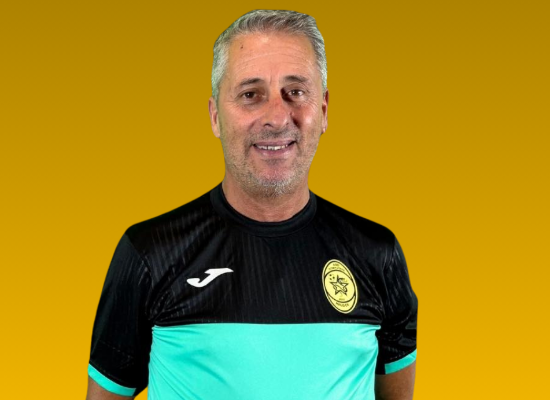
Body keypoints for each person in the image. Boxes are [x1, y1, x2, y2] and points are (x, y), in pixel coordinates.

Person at [86, 9, 417, 400]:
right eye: (250, 95)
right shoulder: (150, 253)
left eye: (296, 92)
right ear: (215, 116)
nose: (277, 117)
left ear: (324, 110)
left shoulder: (378, 254)